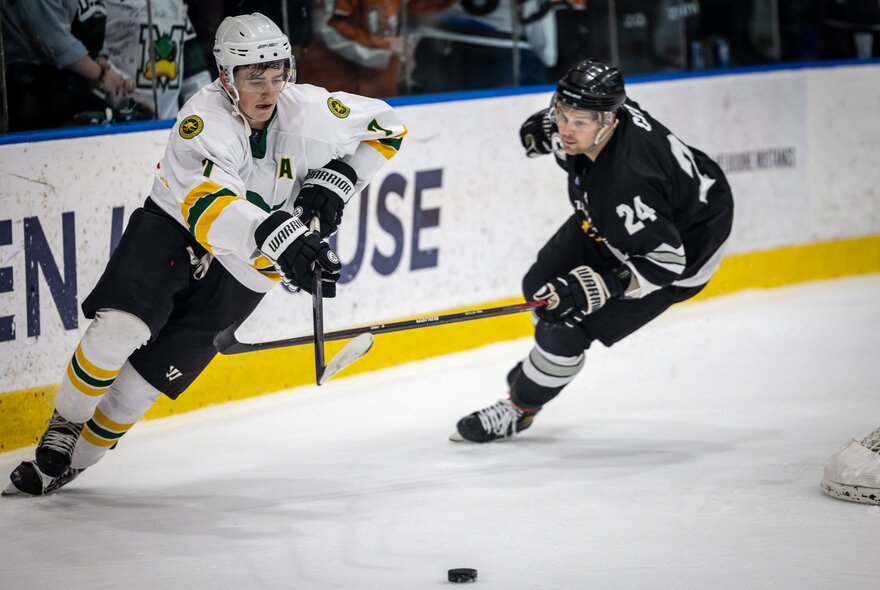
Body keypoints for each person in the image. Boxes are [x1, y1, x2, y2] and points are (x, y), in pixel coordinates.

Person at [4, 12, 406, 496]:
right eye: (254, 78)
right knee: (120, 329)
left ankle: (72, 465)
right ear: (226, 76)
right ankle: (66, 423)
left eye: (278, 75)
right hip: (176, 228)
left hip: (250, 267)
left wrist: (341, 178)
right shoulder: (202, 120)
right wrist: (284, 239)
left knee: (140, 388)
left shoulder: (313, 111)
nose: (269, 91)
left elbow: (388, 127)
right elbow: (209, 208)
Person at [450, 58, 734, 443]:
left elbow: (667, 263)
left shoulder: (627, 183)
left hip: (677, 252)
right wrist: (553, 124)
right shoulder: (602, 117)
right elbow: (568, 124)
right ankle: (549, 362)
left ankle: (520, 408)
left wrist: (604, 286)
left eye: (579, 122)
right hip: (627, 217)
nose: (565, 130)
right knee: (538, 285)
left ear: (609, 121)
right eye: (561, 114)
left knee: (563, 327)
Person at [1, 0, 135, 130]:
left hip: (72, 89)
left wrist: (108, 68)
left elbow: (90, 32)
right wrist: (101, 74)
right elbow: (54, 42)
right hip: (32, 91)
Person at [102, 0, 213, 121]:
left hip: (169, 125)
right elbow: (93, 56)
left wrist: (202, 119)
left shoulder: (175, 4)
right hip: (119, 122)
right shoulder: (105, 4)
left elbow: (196, 76)